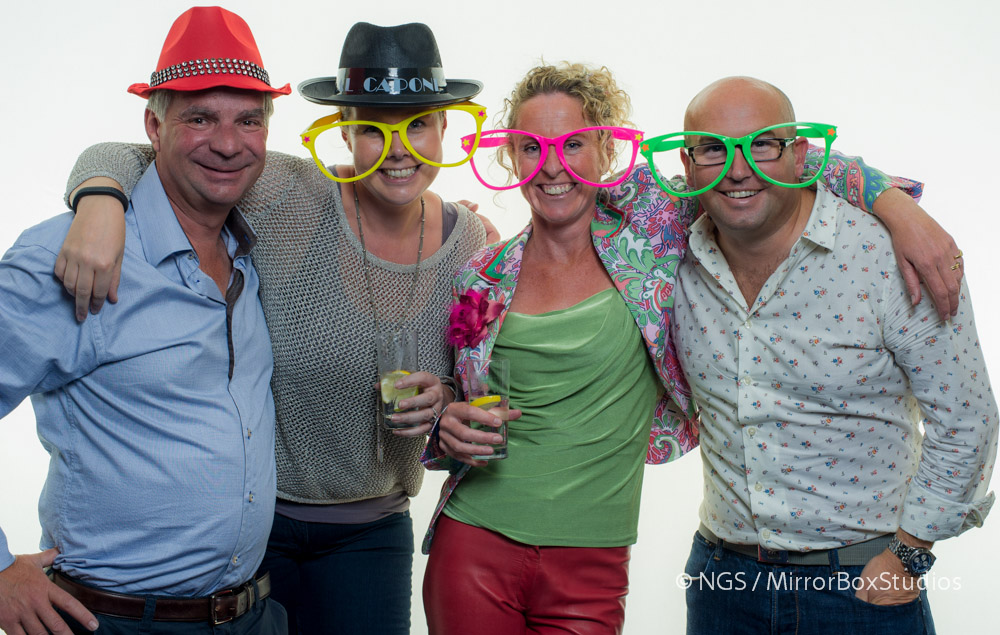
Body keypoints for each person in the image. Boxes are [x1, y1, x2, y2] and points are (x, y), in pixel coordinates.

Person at [419, 63, 960, 635]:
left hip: (593, 555)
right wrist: (445, 416)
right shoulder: (483, 273)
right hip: (475, 536)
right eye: (531, 147)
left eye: (573, 143)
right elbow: (459, 396)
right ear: (511, 157)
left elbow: (777, 161)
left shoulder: (654, 224)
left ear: (607, 149)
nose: (552, 165)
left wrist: (899, 209)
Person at [57, 22, 490, 635]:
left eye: (418, 124)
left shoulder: (469, 243)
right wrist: (99, 200)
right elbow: (136, 155)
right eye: (373, 128)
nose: (398, 149)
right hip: (254, 528)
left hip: (374, 531)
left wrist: (444, 398)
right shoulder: (287, 193)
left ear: (445, 128)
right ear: (344, 130)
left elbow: (465, 381)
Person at [664, 76, 998, 634]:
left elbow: (967, 419)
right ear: (687, 162)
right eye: (713, 149)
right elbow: (570, 191)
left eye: (762, 144)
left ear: (800, 155)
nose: (737, 169)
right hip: (722, 583)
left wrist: (909, 556)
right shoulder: (666, 252)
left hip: (860, 584)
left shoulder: (889, 256)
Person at [0, 7, 289, 635]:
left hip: (250, 615)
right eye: (200, 118)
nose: (229, 143)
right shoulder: (73, 256)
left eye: (248, 120)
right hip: (113, 620)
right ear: (154, 126)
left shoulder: (256, 247)